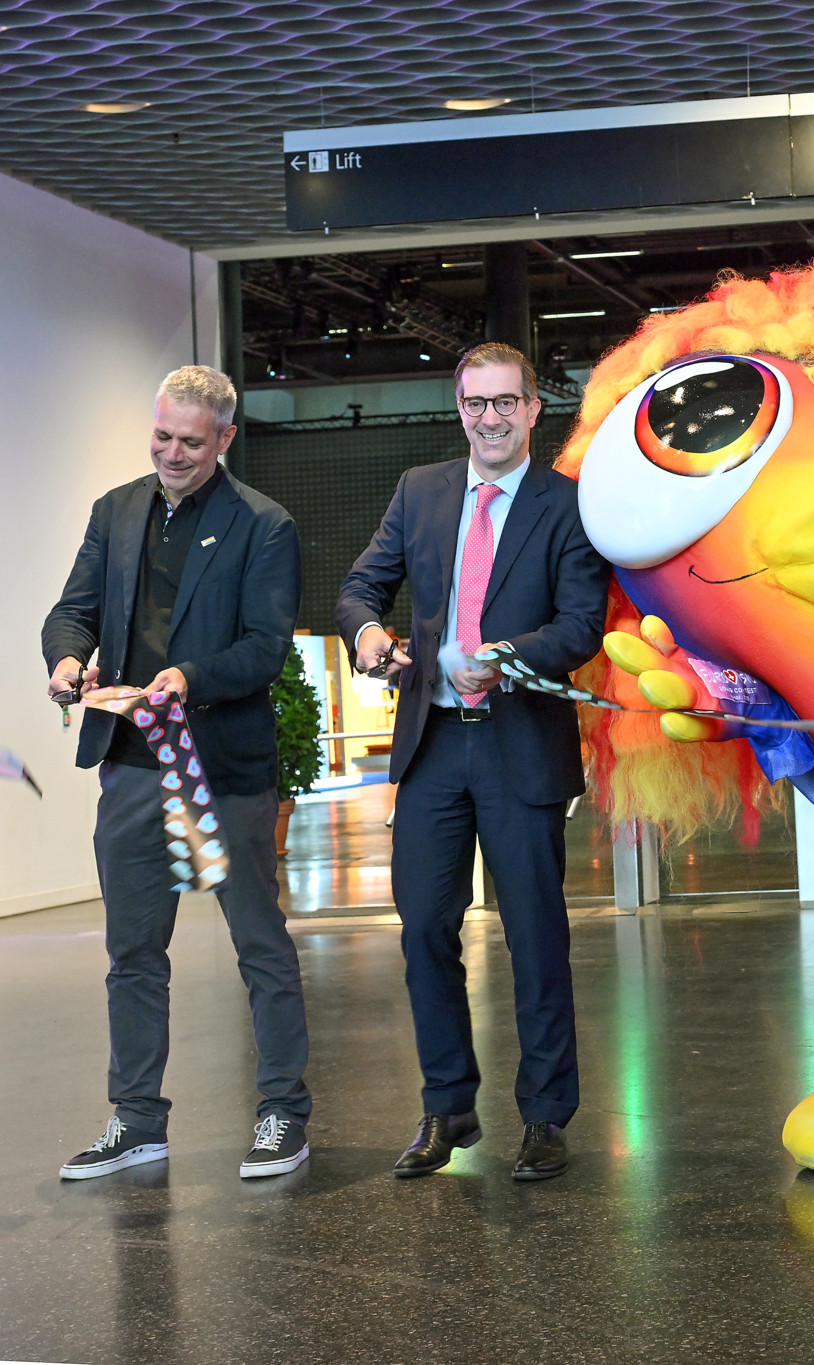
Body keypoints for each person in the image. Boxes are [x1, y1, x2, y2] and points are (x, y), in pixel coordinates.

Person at [335, 342, 608, 1182]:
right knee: (422, 928)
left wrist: (504, 652)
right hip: (432, 745)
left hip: (518, 739)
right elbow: (357, 589)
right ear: (460, 409)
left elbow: (581, 624)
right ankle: (448, 1107)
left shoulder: (568, 504)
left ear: (533, 409)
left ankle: (546, 1116)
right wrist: (370, 634)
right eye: (474, 403)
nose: (488, 418)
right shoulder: (421, 490)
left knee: (535, 936)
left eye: (504, 402)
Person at [43, 365, 312, 1181]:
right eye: (161, 436)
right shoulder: (115, 510)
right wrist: (65, 659)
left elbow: (266, 646)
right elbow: (74, 608)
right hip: (130, 766)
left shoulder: (263, 525)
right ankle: (136, 1119)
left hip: (221, 769)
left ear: (225, 438)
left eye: (191, 442)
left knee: (258, 944)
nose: (172, 453)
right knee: (132, 952)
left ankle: (282, 1115)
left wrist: (188, 678)